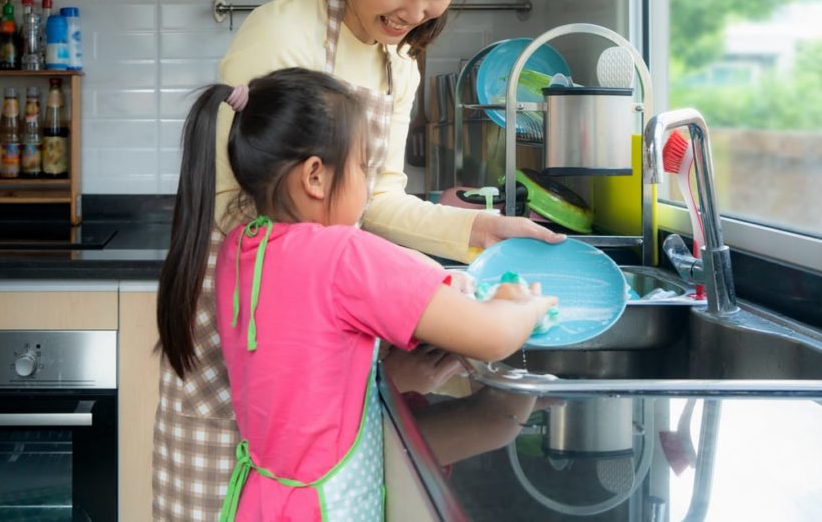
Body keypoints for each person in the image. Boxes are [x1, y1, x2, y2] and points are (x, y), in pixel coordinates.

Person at [153, 0, 563, 520]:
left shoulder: (399, 60)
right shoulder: (283, 32)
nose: (415, 13)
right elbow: (259, 205)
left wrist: (476, 231)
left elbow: (375, 199)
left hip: (305, 318)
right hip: (250, 321)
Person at [159, 68, 555, 521]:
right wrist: (524, 306)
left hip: (259, 502)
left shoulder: (242, 248)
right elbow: (492, 336)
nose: (367, 186)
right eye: (363, 167)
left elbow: (307, 356)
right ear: (315, 176)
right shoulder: (341, 254)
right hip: (323, 509)